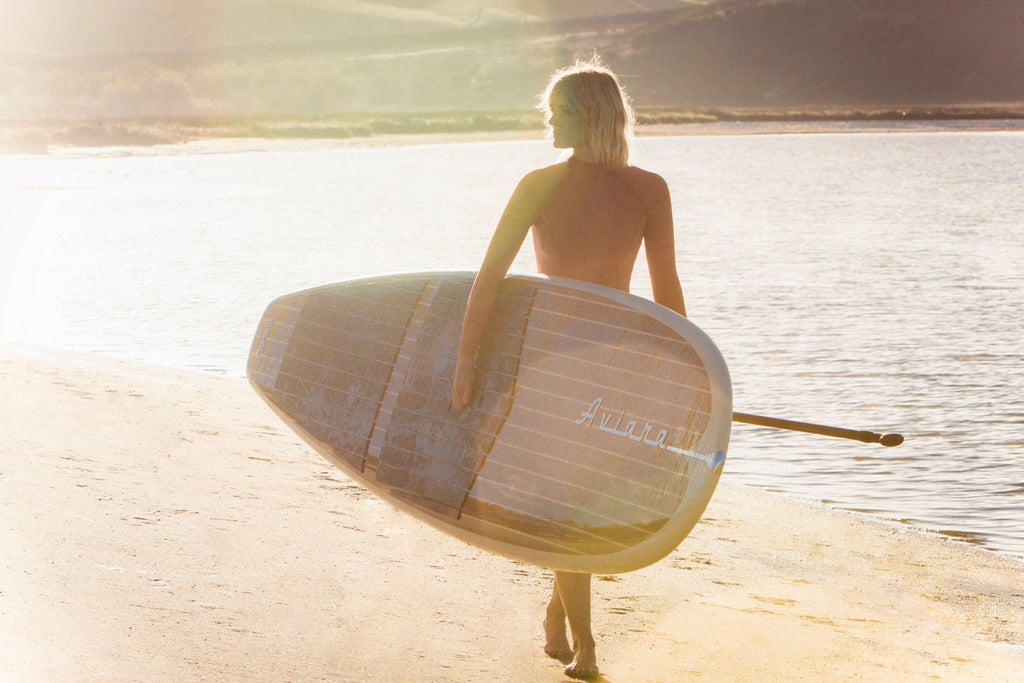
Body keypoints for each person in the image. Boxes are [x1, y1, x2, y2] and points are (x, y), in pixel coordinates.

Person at [449, 56, 687, 680]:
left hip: (620, 364)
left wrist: (688, 372)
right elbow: (490, 278)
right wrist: (466, 358)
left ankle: (557, 613)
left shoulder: (649, 189)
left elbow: (667, 292)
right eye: (549, 112)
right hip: (551, 364)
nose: (549, 122)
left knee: (588, 500)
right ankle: (586, 649)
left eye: (561, 111)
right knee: (568, 501)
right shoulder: (538, 184)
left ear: (594, 115)